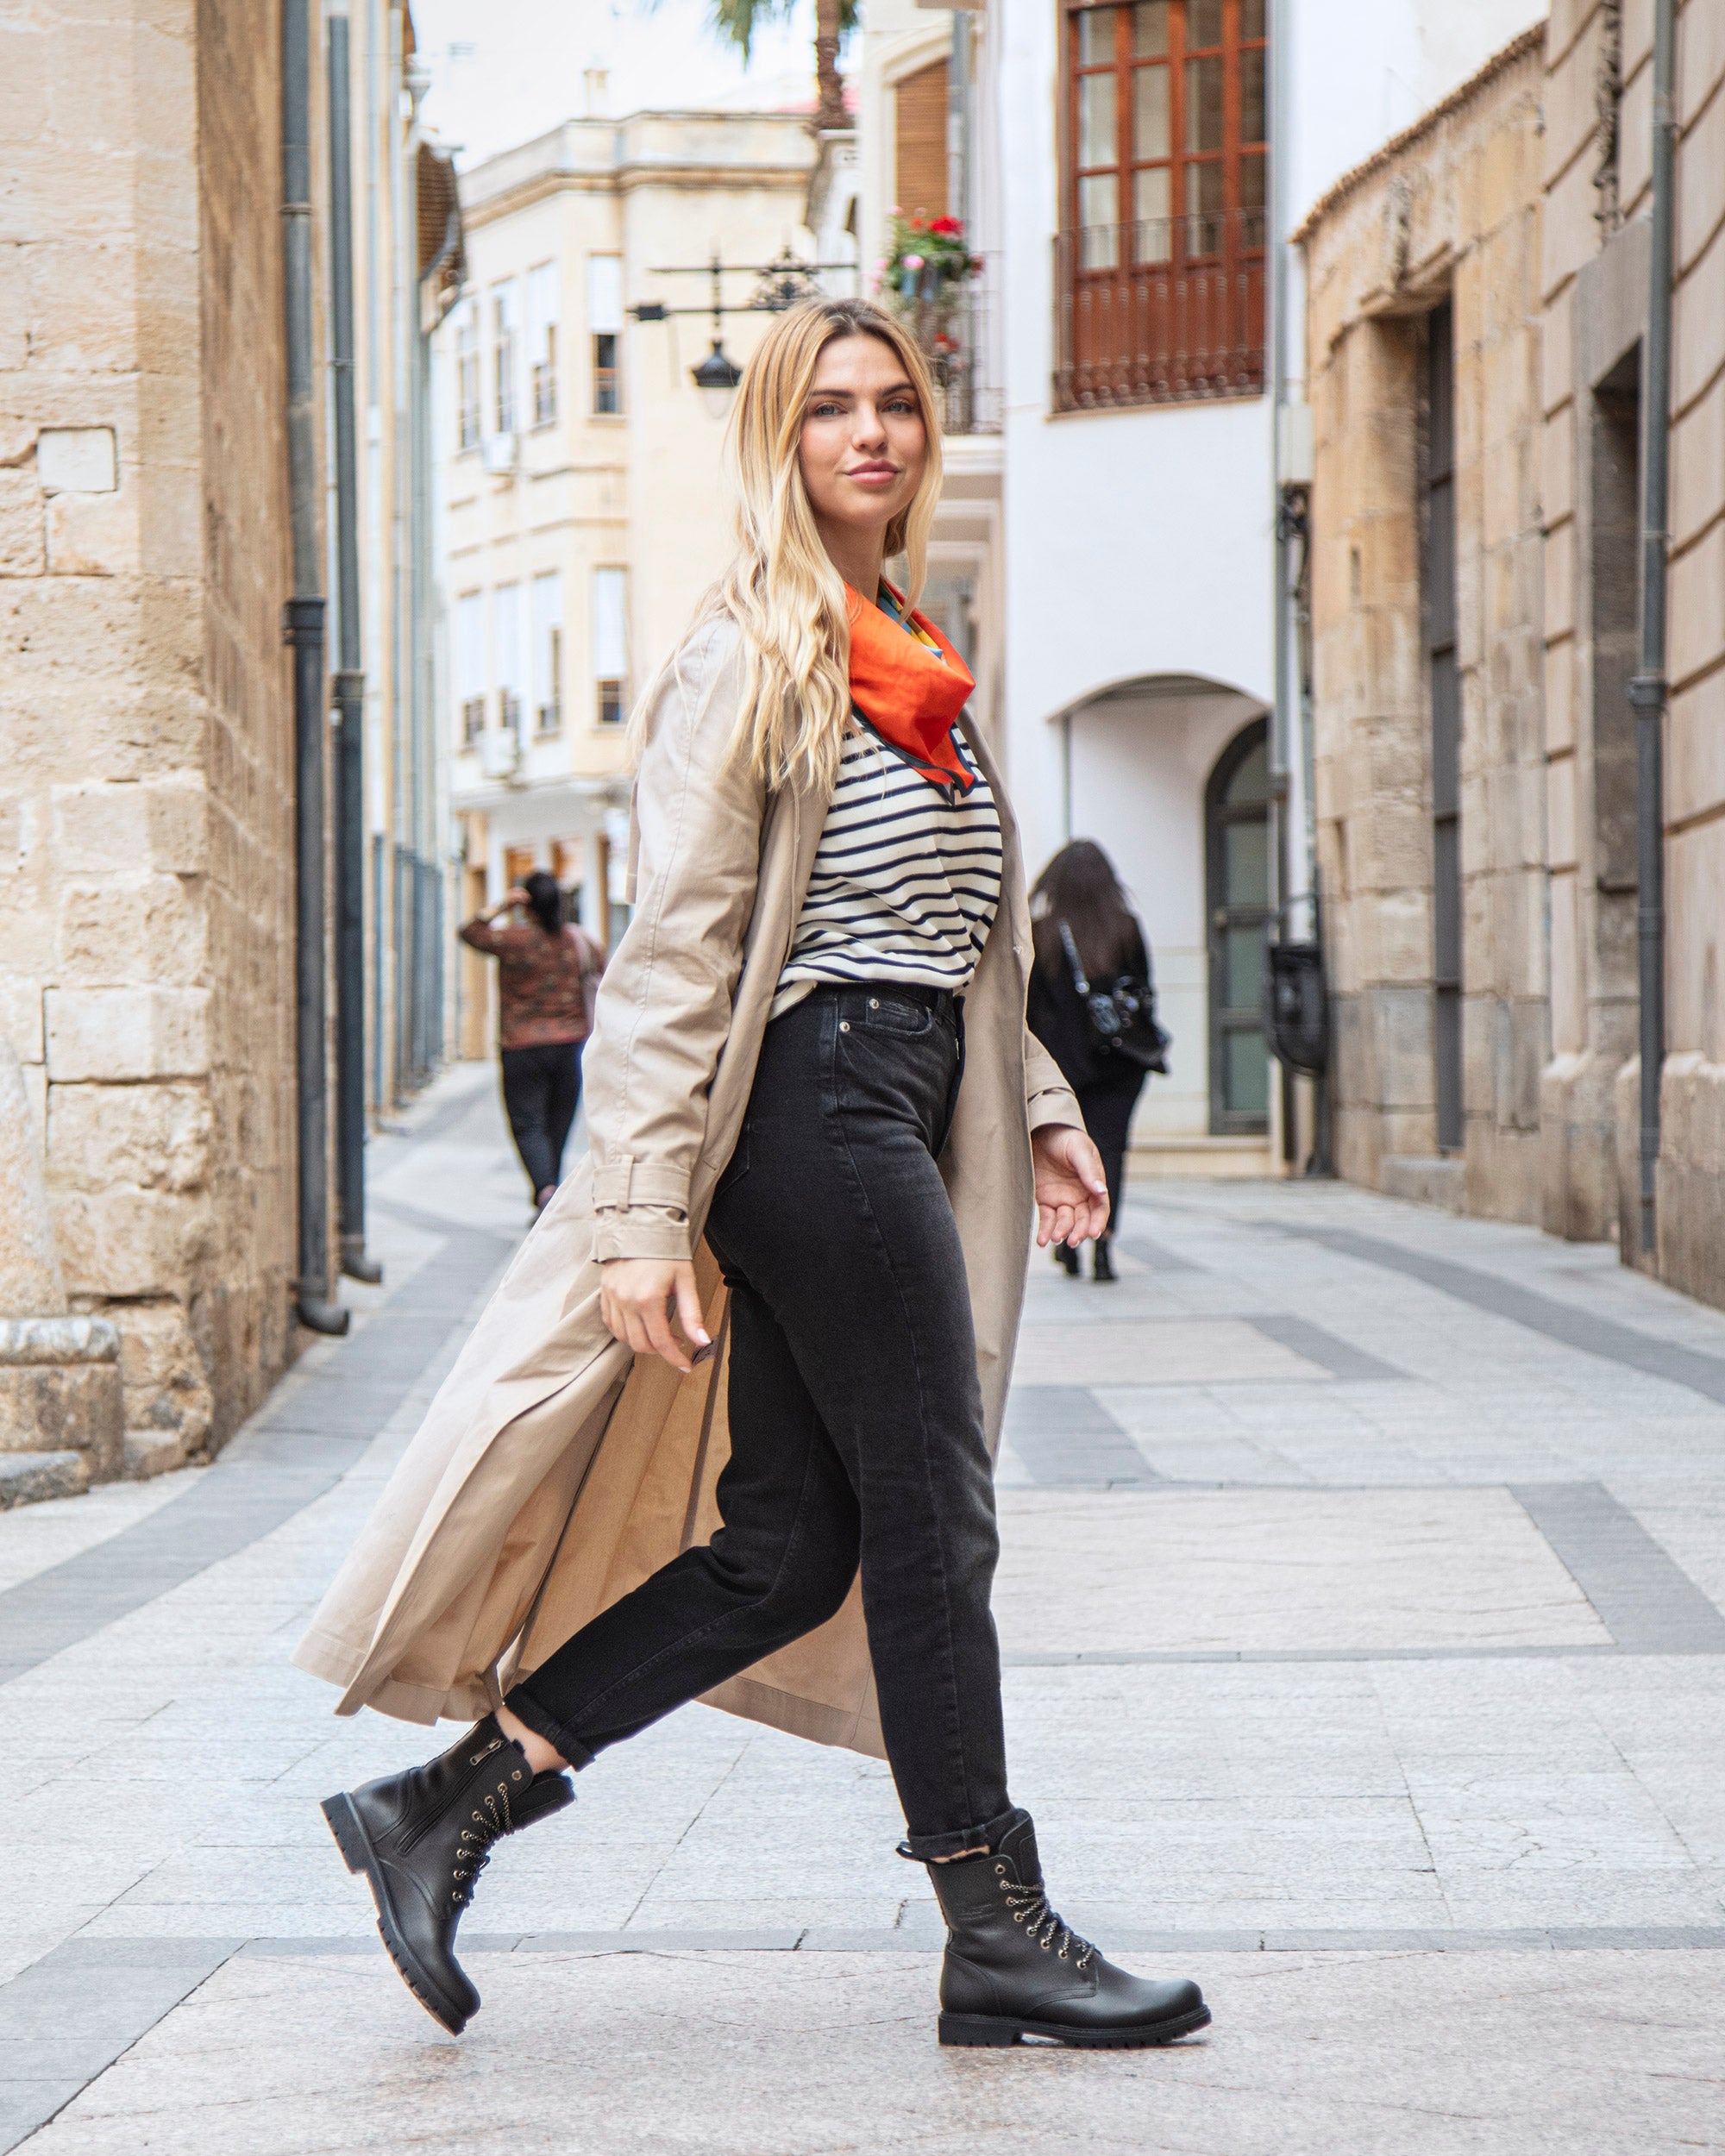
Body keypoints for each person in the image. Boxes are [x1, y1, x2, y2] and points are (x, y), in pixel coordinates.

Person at [301, 298, 1209, 2054]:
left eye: (894, 404)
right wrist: (640, 1212)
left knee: (790, 1543)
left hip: (901, 1092)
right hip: (814, 1116)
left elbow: (954, 937)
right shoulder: (756, 652)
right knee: (933, 1517)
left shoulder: (918, 659)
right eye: (829, 410)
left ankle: (443, 1808)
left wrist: (1031, 1094)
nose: (869, 433)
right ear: (778, 440)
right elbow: (675, 953)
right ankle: (992, 1914)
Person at [1026, 841, 1156, 1283]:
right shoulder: (1126, 928)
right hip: (1120, 1064)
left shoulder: (1039, 931)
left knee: (1064, 1149)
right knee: (1111, 1151)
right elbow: (1144, 994)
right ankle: (1103, 1246)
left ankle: (1069, 1242)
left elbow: (1027, 1009)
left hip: (1062, 1067)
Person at [459, 871, 605, 1211]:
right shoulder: (578, 941)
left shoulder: (513, 940)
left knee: (527, 1123)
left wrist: (501, 906)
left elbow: (469, 932)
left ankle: (545, 1189)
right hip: (569, 1044)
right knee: (557, 1123)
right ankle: (548, 1196)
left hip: (521, 1045)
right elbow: (602, 967)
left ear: (527, 905)